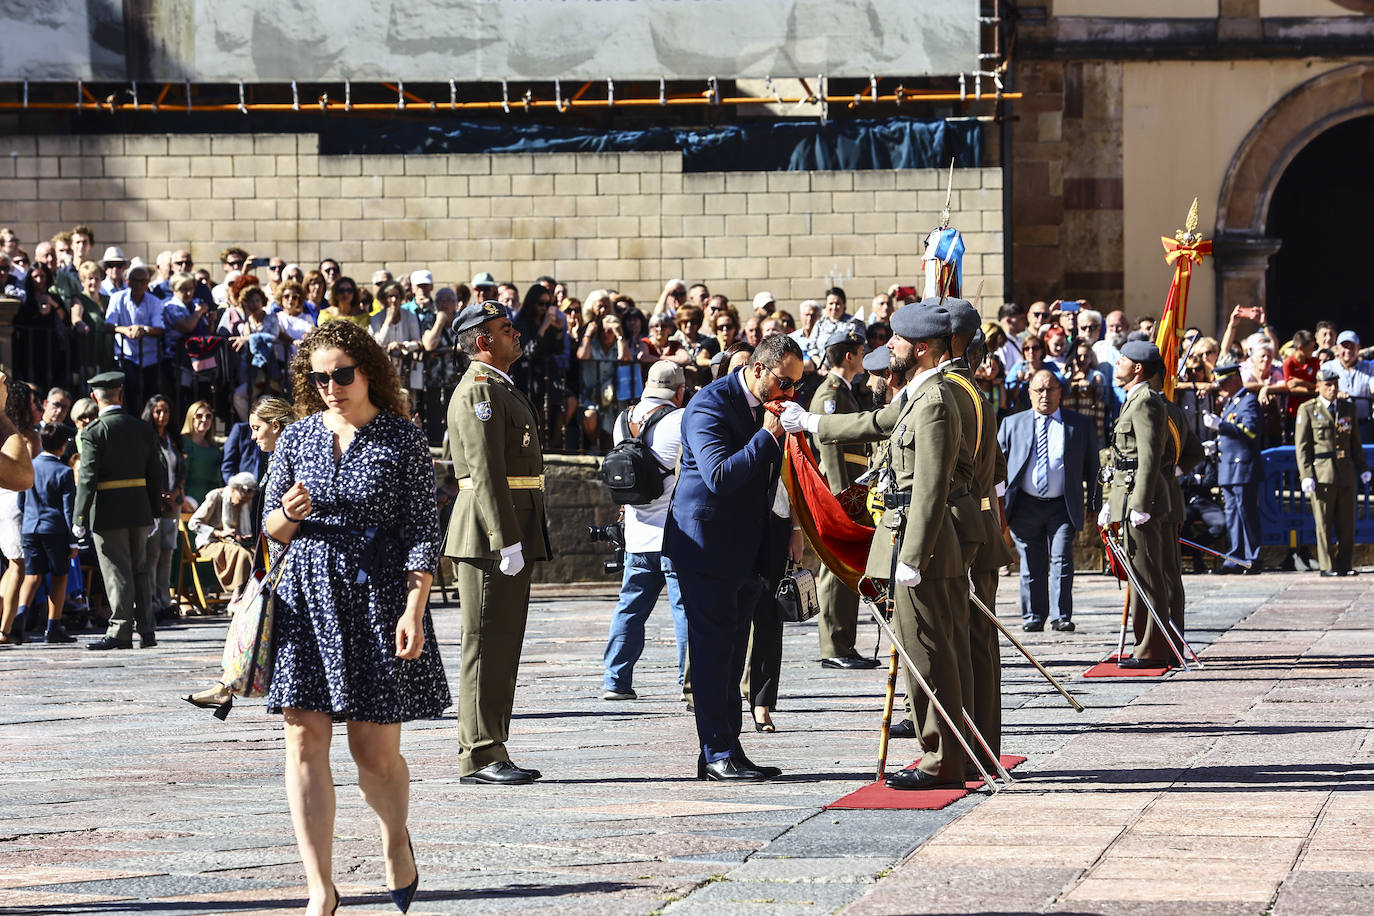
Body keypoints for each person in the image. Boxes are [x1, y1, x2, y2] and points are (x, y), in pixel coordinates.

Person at [263, 318, 446, 916]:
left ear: (368, 371)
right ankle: (320, 887)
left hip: (379, 593)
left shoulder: (402, 439)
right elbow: (268, 528)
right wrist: (288, 514)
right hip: (307, 593)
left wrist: (415, 607)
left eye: (342, 374)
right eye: (319, 378)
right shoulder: (296, 439)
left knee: (373, 751)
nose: (332, 386)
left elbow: (423, 530)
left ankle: (397, 838)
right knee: (304, 736)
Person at [783, 305, 969, 789]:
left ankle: (942, 760)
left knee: (928, 650)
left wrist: (913, 557)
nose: (892, 351)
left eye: (900, 344)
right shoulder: (919, 395)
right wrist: (812, 424)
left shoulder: (932, 400)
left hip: (917, 545)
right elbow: (873, 423)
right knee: (920, 648)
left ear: (921, 348)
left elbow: (930, 485)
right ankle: (942, 752)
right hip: (908, 538)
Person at [662, 332, 801, 783]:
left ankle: (728, 750)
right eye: (784, 383)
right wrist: (767, 436)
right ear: (759, 369)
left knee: (733, 654)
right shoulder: (709, 404)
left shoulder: (762, 404)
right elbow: (720, 475)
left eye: (796, 386)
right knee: (711, 654)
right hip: (706, 548)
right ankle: (715, 751)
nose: (789, 394)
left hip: (745, 551)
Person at [443, 300, 552, 786]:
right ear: (483, 341)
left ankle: (494, 745)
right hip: (491, 534)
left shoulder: (500, 388)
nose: (516, 335)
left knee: (502, 645)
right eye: (506, 329)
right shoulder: (478, 392)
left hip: (509, 529)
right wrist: (505, 539)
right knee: (485, 645)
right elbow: (485, 472)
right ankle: (480, 754)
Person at [183, 396, 297, 714]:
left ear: (276, 427)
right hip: (270, 556)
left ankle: (234, 687)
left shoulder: (291, 460)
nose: (253, 436)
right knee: (249, 621)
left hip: (285, 559)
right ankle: (226, 686)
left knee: (261, 624)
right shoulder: (277, 459)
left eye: (257, 428)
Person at [600, 361, 690, 701]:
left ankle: (615, 681)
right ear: (678, 391)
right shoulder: (679, 419)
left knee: (629, 609)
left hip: (636, 533)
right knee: (684, 610)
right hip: (673, 532)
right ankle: (688, 683)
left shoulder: (623, 421)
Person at [1001, 369, 1100, 630]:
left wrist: (1094, 505)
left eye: (1051, 389)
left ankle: (1061, 616)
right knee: (1031, 562)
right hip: (1025, 504)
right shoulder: (1013, 424)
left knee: (1062, 557)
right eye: (1039, 390)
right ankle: (1033, 616)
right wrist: (997, 506)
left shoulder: (1078, 424)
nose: (1045, 395)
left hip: (1062, 505)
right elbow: (996, 468)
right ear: (1030, 393)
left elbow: (1093, 467)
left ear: (1060, 393)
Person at [76, 372, 165, 651]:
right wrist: (155, 511)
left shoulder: (94, 432)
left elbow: (88, 477)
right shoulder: (142, 429)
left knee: (117, 572)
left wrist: (80, 516)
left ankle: (120, 631)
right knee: (140, 571)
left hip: (109, 512)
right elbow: (156, 473)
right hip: (139, 510)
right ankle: (147, 631)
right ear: (121, 394)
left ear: (94, 398)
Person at [807, 328, 879, 670]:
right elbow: (831, 447)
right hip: (843, 494)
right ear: (849, 355)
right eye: (860, 351)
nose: (864, 356)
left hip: (853, 491)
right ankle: (834, 646)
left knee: (846, 567)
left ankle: (843, 644)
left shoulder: (846, 391)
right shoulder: (830, 394)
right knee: (835, 569)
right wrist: (842, 498)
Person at [1099, 340, 1172, 667]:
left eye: (1123, 361)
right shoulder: (1134, 400)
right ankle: (1144, 644)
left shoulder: (1146, 402)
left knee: (1147, 574)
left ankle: (1152, 649)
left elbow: (1149, 455)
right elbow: (1122, 458)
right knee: (1138, 573)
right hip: (1126, 495)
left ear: (1138, 368)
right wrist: (1111, 501)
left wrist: (1140, 502)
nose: (1118, 365)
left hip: (1140, 498)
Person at [1295, 367, 1371, 576]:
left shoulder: (1348, 408)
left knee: (1347, 522)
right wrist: (1306, 474)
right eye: (1328, 384)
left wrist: (1362, 467)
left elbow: (1355, 442)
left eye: (1335, 384)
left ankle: (1345, 563)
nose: (1333, 388)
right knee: (1324, 523)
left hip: (1345, 470)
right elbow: (1303, 447)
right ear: (1318, 386)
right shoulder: (1308, 409)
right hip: (1322, 472)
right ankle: (1327, 565)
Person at [13, 423, 78, 644]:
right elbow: (69, 509)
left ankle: (19, 616)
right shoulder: (65, 472)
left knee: (32, 575)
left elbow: (21, 502)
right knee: (60, 576)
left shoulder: (30, 466)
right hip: (55, 529)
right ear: (62, 446)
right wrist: (73, 540)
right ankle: (54, 625)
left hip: (31, 528)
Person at [1203, 363, 1263, 575]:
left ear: (1236, 379)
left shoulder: (1248, 401)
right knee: (1233, 515)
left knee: (1246, 513)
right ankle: (1236, 557)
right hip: (1228, 467)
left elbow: (1250, 431)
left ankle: (1252, 557)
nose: (1221, 387)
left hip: (1242, 466)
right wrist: (1216, 445)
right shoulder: (1233, 403)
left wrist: (1221, 426)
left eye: (1225, 382)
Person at [142, 396, 185, 624]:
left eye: (166, 411)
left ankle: (164, 597)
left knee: (168, 550)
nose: (162, 416)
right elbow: (146, 470)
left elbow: (180, 468)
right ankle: (152, 599)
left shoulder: (172, 439)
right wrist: (160, 495)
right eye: (158, 411)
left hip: (172, 503)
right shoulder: (147, 438)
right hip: (155, 504)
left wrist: (177, 492)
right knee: (152, 552)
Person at [187, 472, 259, 591]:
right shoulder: (217, 496)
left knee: (256, 552)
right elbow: (193, 524)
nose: (244, 502)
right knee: (243, 555)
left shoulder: (245, 502)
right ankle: (237, 593)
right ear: (235, 489)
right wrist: (219, 533)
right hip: (210, 543)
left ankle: (251, 593)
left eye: (248, 499)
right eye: (243, 498)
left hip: (231, 542)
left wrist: (242, 535)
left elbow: (238, 529)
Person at [180, 400, 222, 506]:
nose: (204, 419)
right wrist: (183, 500)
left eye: (208, 416)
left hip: (211, 500)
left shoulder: (214, 447)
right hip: (188, 499)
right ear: (191, 418)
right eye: (199, 416)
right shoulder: (182, 442)